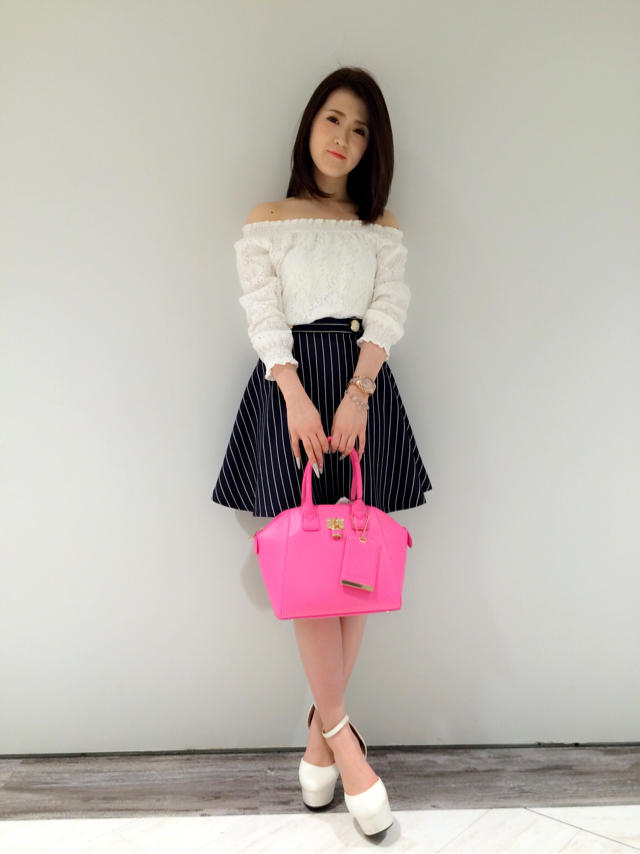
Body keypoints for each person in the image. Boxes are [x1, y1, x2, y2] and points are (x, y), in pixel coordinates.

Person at [211, 66, 433, 836]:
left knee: (355, 550)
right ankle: (342, 739)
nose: (344, 138)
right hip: (292, 390)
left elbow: (389, 306)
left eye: (361, 129)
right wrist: (295, 394)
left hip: (361, 390)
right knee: (310, 560)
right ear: (310, 123)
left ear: (374, 148)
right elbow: (263, 311)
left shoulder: (381, 226)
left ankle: (319, 734)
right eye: (334, 119)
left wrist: (359, 392)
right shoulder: (268, 219)